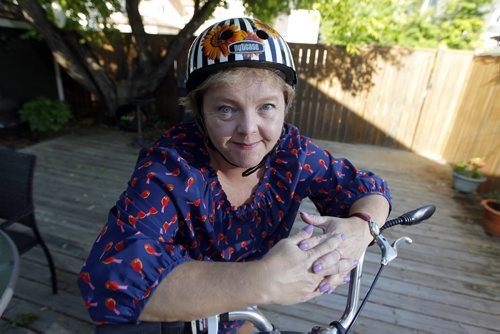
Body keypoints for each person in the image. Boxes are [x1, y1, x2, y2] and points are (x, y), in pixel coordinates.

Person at [78, 17, 391, 333]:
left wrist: (361, 229)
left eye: (266, 107)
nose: (248, 129)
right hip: (176, 320)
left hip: (243, 316)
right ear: (200, 112)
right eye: (226, 109)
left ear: (286, 105)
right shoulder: (171, 168)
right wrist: (262, 279)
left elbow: (363, 186)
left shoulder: (292, 154)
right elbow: (108, 280)